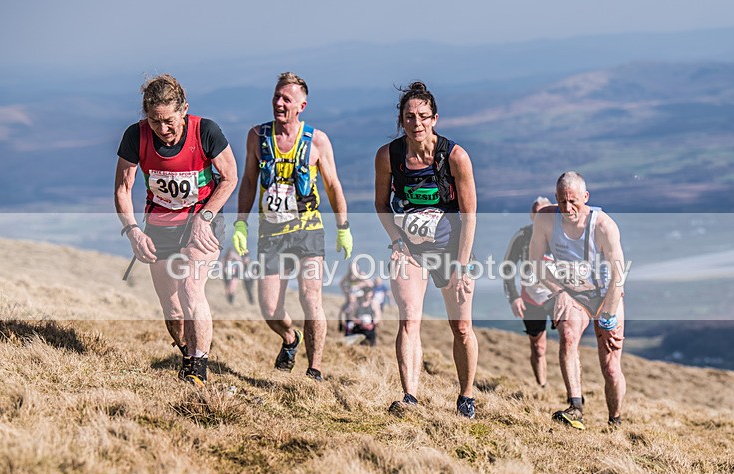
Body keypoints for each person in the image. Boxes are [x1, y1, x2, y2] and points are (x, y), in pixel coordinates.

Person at [114, 74, 238, 387]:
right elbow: (122, 188)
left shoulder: (205, 131)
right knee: (171, 306)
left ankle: (199, 366)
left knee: (190, 289)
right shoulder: (136, 136)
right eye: (155, 122)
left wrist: (205, 215)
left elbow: (230, 177)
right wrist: (133, 232)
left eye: (169, 121)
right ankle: (187, 353)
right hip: (159, 225)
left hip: (202, 223)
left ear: (183, 110)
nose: (164, 129)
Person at [233, 72, 352, 382]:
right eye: (276, 96)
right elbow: (248, 181)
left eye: (286, 99)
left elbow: (333, 184)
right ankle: (290, 339)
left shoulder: (317, 140)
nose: (279, 103)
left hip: (308, 231)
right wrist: (241, 225)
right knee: (270, 308)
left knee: (311, 300)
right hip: (271, 234)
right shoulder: (257, 136)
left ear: (302, 105)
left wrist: (343, 227)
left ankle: (315, 370)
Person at [375, 81, 479, 418]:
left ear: (434, 118)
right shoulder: (388, 156)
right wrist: (397, 240)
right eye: (409, 116)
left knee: (461, 327)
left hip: (452, 248)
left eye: (422, 116)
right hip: (411, 250)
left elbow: (469, 213)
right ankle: (410, 397)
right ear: (401, 120)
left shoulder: (455, 157)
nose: (416, 123)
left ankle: (466, 396)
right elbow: (381, 205)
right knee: (409, 320)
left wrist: (462, 264)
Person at [529, 171, 627, 429]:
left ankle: (615, 420)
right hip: (573, 293)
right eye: (562, 201)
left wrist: (609, 312)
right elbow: (535, 264)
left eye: (574, 201)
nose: (568, 207)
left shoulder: (603, 225)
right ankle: (576, 407)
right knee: (568, 336)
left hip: (607, 294)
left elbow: (619, 275)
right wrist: (558, 292)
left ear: (586, 197)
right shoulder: (546, 219)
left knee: (610, 366)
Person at [502, 196, 554, 388]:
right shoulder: (522, 236)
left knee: (569, 340)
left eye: (546, 213)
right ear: (532, 216)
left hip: (559, 297)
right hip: (531, 298)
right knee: (539, 347)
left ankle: (572, 395)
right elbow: (507, 267)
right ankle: (543, 387)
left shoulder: (563, 234)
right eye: (538, 214)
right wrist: (514, 297)